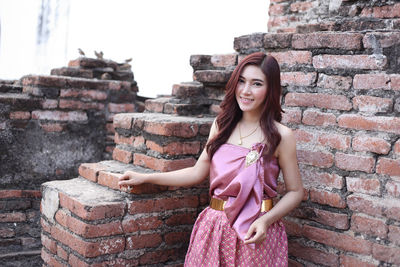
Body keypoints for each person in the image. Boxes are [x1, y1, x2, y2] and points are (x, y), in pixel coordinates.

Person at [118, 52, 303, 266]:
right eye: (241, 81)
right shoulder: (221, 126)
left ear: (271, 89)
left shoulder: (282, 136)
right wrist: (147, 178)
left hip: (255, 231)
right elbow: (197, 172)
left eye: (256, 84)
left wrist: (265, 221)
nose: (245, 91)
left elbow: (296, 192)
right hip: (214, 226)